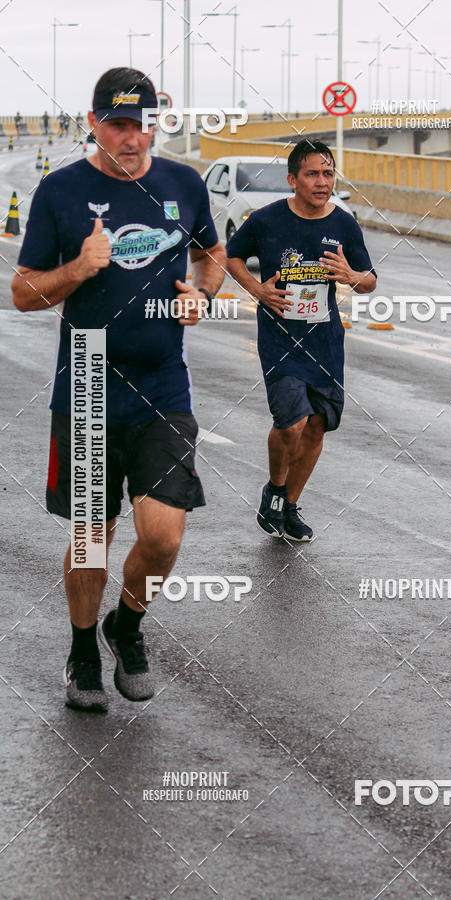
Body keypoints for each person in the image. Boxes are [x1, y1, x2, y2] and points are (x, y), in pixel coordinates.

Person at [11, 67, 225, 712]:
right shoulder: (60, 191)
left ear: (155, 125)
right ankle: (82, 651)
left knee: (163, 537)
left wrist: (201, 294)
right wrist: (79, 268)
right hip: (87, 381)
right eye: (117, 125)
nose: (130, 138)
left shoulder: (183, 184)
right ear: (94, 124)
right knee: (89, 539)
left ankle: (125, 626)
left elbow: (211, 254)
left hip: (163, 386)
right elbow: (23, 293)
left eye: (141, 125)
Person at [227, 139, 376, 542]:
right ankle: (275, 489)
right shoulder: (266, 220)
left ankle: (289, 506)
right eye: (312, 174)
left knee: (317, 426)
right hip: (280, 339)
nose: (322, 182)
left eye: (328, 173)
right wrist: (257, 291)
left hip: (325, 341)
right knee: (291, 423)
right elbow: (231, 255)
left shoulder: (343, 223)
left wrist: (352, 276)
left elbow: (369, 280)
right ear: (293, 179)